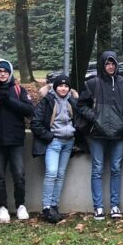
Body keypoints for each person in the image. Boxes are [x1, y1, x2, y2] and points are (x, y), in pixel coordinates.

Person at [78, 51, 123, 220]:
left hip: (119, 133)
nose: (110, 66)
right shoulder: (92, 83)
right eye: (107, 63)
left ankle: (115, 206)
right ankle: (98, 207)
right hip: (97, 134)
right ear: (102, 64)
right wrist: (95, 118)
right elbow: (81, 104)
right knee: (97, 170)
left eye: (113, 63)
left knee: (116, 169)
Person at [0, 59, 33, 222]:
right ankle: (2, 207)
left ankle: (21, 205)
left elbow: (29, 110)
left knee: (19, 175)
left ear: (10, 73)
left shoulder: (19, 90)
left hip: (15, 141)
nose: (2, 74)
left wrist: (9, 101)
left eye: (5, 71)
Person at [31, 73, 79, 224]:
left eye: (66, 86)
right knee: (51, 172)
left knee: (60, 174)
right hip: (54, 142)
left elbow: (78, 118)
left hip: (68, 142)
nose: (63, 88)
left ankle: (54, 206)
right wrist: (49, 136)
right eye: (60, 85)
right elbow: (35, 123)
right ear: (55, 87)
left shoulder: (72, 101)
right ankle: (46, 207)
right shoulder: (47, 101)